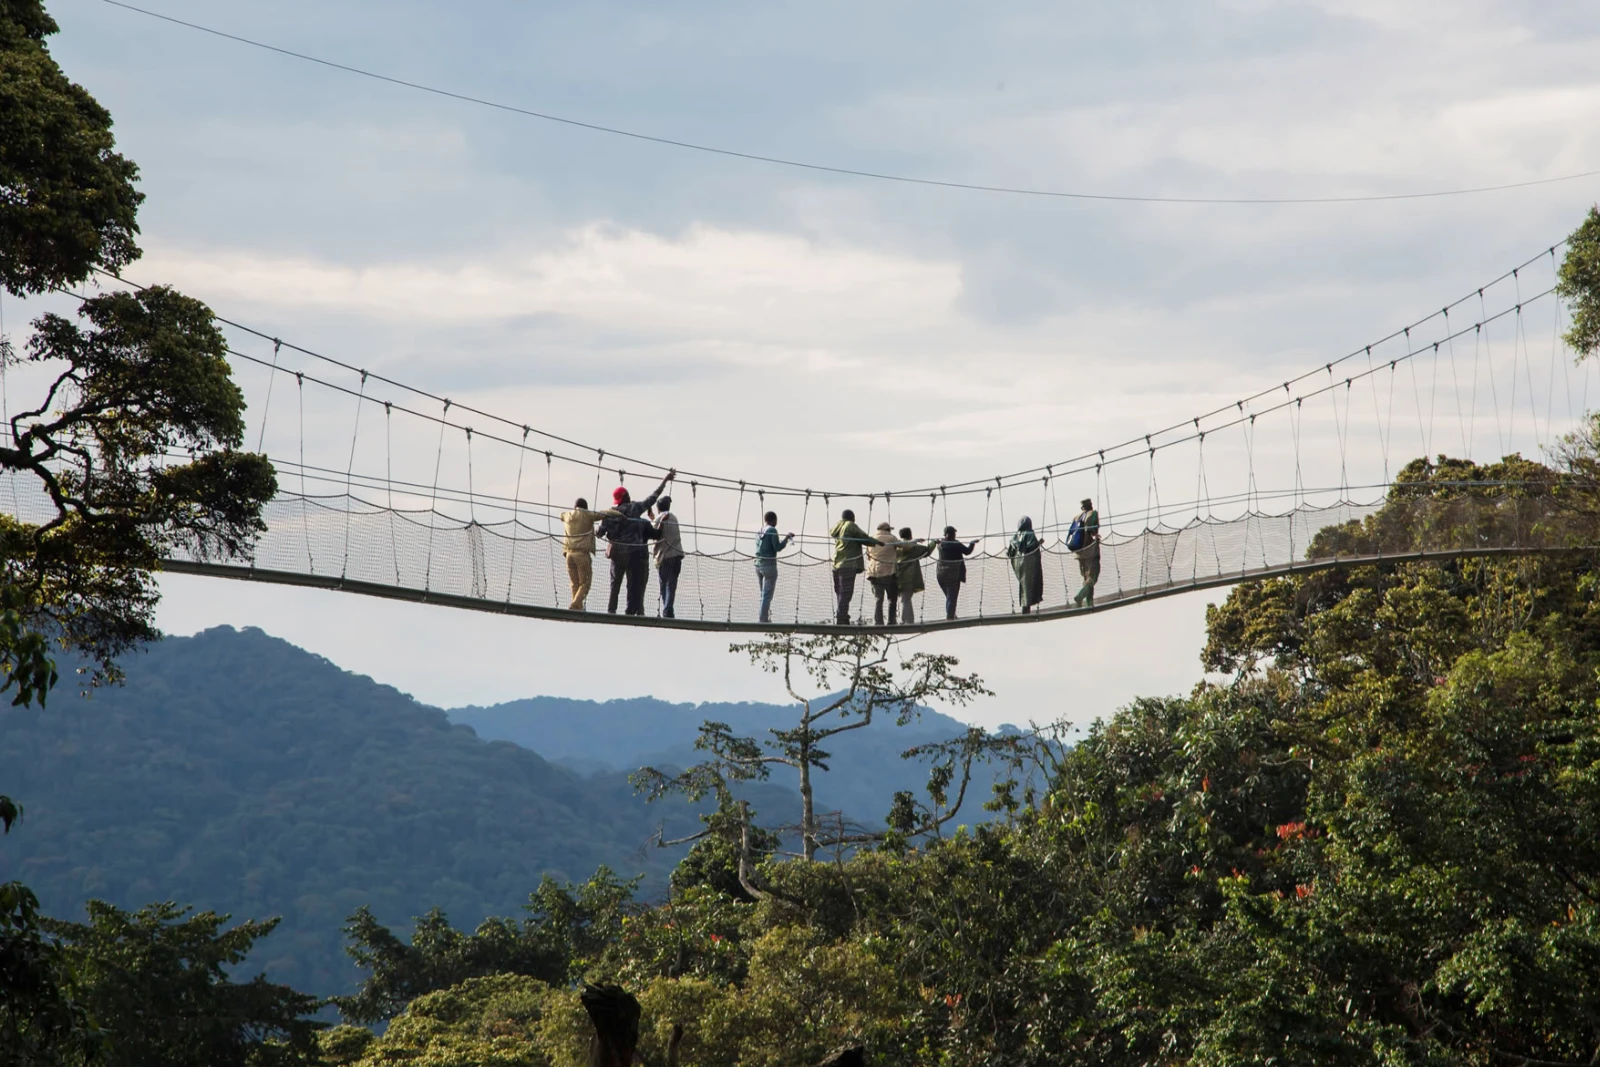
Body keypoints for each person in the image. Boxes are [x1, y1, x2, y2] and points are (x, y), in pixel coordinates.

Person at [599, 470, 674, 616]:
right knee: (632, 585)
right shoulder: (635, 508)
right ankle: (631, 611)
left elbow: (600, 532)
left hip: (617, 553)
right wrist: (665, 480)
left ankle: (611, 610)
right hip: (634, 553)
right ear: (627, 497)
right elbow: (652, 498)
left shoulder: (610, 513)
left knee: (615, 583)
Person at [559, 497, 621, 611]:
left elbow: (561, 515)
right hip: (582, 554)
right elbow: (604, 513)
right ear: (585, 508)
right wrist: (619, 514)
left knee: (574, 584)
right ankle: (574, 604)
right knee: (585, 583)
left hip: (568, 555)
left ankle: (578, 606)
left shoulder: (567, 515)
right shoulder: (587, 515)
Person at [828, 508, 871, 625]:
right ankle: (842, 618)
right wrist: (876, 542)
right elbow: (864, 538)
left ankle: (842, 616)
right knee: (846, 592)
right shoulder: (850, 526)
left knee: (840, 592)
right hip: (848, 564)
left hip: (836, 564)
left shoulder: (838, 527)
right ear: (852, 518)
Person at [753, 511, 796, 624]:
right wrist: (787, 538)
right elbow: (777, 547)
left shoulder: (759, 531)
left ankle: (763, 616)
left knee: (763, 594)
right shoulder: (772, 530)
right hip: (769, 566)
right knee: (767, 595)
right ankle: (763, 619)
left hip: (758, 564)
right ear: (773, 520)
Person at [934, 525, 979, 621]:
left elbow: (939, 543)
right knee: (952, 597)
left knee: (949, 597)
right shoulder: (955, 544)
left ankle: (951, 614)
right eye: (953, 533)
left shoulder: (940, 545)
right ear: (951, 534)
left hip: (941, 574)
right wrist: (972, 543)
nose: (954, 535)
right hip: (953, 574)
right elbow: (967, 551)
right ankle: (950, 617)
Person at [894, 527, 936, 625]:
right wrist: (933, 542)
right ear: (910, 535)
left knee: (906, 599)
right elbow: (927, 551)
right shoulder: (913, 547)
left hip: (897, 576)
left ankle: (910, 621)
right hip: (910, 577)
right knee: (905, 600)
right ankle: (904, 621)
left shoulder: (895, 545)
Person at [651, 495, 684, 619]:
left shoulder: (659, 518)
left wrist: (652, 519)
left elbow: (654, 533)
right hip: (677, 555)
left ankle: (667, 611)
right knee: (671, 584)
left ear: (658, 507)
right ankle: (668, 610)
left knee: (664, 584)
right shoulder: (674, 518)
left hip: (664, 557)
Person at [865, 522, 902, 626]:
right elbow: (905, 546)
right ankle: (891, 621)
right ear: (887, 530)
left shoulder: (870, 539)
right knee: (892, 598)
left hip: (874, 573)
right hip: (888, 572)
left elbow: (868, 556)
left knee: (878, 599)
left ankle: (878, 622)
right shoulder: (891, 538)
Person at [1007, 515, 1044, 614]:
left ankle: (1025, 608)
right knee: (1030, 585)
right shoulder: (1030, 533)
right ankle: (1026, 609)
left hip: (1018, 564)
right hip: (1028, 563)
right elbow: (1031, 547)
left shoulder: (1015, 536)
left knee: (1023, 585)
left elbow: (1009, 553)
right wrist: (1039, 543)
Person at [1071, 497, 1102, 609]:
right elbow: (1091, 529)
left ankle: (1090, 604)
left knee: (1086, 578)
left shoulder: (1076, 517)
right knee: (1093, 576)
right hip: (1090, 551)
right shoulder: (1092, 514)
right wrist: (1095, 536)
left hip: (1079, 553)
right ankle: (1080, 596)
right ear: (1090, 505)